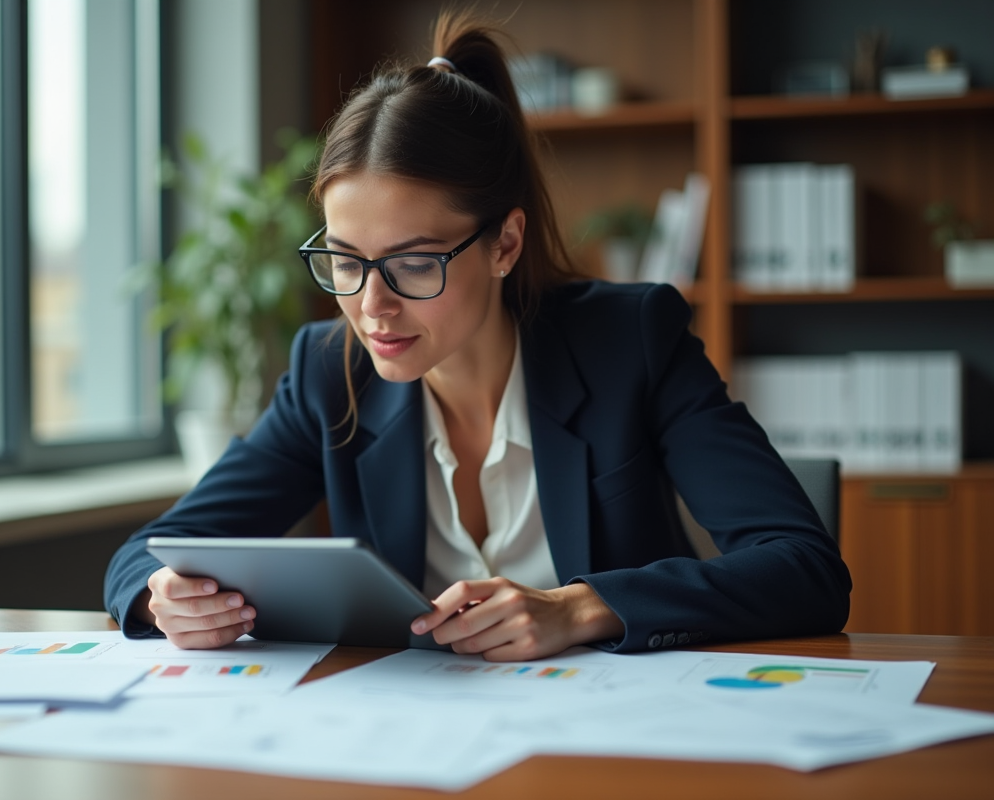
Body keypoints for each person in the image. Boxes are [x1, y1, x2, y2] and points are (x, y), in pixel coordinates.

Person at [104, 11, 851, 660]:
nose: (372, 309)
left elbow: (804, 568)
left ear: (504, 244)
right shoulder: (329, 372)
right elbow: (149, 554)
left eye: (413, 263)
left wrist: (579, 607)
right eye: (344, 261)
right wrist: (161, 596)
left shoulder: (631, 343)